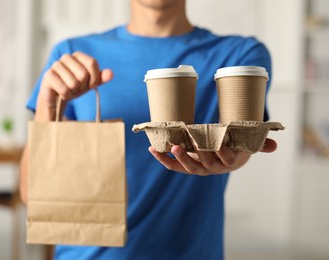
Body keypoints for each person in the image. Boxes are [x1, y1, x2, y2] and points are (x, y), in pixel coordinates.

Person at [20, 0, 277, 259]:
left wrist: (237, 155)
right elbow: (31, 194)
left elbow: (243, 141)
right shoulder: (72, 56)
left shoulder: (239, 57)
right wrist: (47, 106)